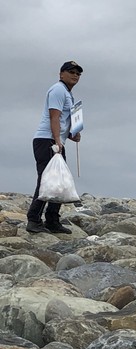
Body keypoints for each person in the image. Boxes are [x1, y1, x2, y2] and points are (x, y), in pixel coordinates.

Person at [26, 61, 83, 234]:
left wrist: (73, 135)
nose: (75, 75)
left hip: (56, 141)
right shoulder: (58, 90)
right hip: (47, 140)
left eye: (78, 73)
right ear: (61, 74)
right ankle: (34, 219)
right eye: (71, 72)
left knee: (59, 182)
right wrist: (57, 139)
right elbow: (54, 117)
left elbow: (64, 121)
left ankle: (52, 220)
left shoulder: (67, 93)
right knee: (47, 181)